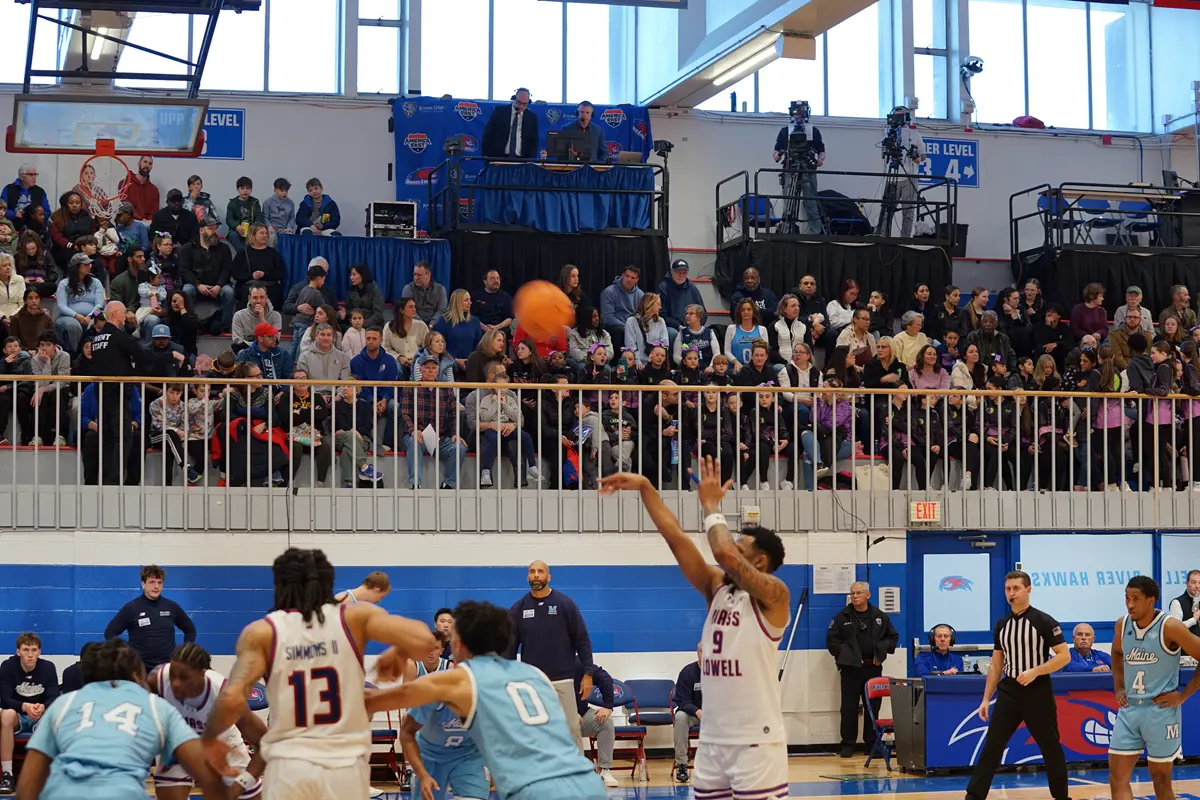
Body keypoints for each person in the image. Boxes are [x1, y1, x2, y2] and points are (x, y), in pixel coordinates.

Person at [597, 458, 790, 799]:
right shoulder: (716, 586)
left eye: (740, 546)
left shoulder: (775, 596)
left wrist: (711, 506)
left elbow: (724, 553)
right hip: (714, 739)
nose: (728, 550)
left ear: (759, 562)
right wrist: (646, 487)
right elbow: (675, 538)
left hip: (755, 741)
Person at [200, 548, 436, 798]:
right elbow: (425, 640)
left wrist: (210, 738)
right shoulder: (356, 618)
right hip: (344, 767)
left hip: (288, 767)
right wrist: (399, 652)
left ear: (279, 584)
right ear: (328, 583)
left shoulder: (262, 632)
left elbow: (231, 700)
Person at [365, 599, 607, 800]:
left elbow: (374, 700)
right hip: (587, 782)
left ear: (458, 644)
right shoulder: (536, 674)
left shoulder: (457, 679)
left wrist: (398, 651)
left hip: (535, 789)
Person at [15, 638, 226, 800]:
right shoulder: (155, 705)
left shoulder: (65, 703)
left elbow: (27, 785)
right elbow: (207, 776)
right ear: (136, 674)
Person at [965, 570, 1071, 800]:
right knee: (992, 746)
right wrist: (985, 699)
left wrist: (1036, 671)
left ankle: (1062, 797)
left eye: (1016, 588)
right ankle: (973, 796)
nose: (1011, 593)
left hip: (1037, 691)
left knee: (1050, 747)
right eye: (1007, 589)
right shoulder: (1002, 625)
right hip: (1009, 691)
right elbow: (996, 665)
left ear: (1028, 590)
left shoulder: (1044, 621)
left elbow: (1064, 656)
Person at [1108, 576, 1200, 800]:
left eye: (1136, 599)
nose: (1130, 604)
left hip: (1160, 711)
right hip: (1130, 709)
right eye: (1127, 598)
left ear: (1152, 600)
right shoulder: (1122, 625)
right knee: (1116, 777)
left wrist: (1183, 695)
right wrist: (1119, 687)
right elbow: (1117, 653)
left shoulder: (1170, 626)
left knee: (1160, 780)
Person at [149, 643, 266, 800]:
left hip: (224, 748)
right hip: (180, 746)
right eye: (173, 675)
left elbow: (265, 744)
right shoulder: (157, 679)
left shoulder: (226, 696)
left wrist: (238, 787)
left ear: (202, 674)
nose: (175, 683)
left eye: (184, 677)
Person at [506, 560, 596, 754]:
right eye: (532, 572)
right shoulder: (518, 608)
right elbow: (510, 647)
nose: (536, 575)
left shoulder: (565, 604)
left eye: (540, 571)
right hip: (532, 682)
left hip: (562, 678)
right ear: (528, 577)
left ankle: (578, 775)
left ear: (548, 577)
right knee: (534, 730)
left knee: (571, 727)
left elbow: (582, 639)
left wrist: (588, 673)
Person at [397, 663, 490, 800]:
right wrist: (422, 775)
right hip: (430, 754)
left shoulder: (489, 695)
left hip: (468, 755)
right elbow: (406, 733)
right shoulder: (432, 690)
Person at [827, 582, 899, 757]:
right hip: (851, 670)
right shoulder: (841, 618)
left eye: (858, 593)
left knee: (873, 708)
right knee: (849, 707)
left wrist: (880, 652)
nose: (854, 596)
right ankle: (848, 744)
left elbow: (893, 637)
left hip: (872, 668)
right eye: (852, 593)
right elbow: (832, 642)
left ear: (868, 595)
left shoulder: (879, 616)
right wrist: (850, 657)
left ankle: (872, 744)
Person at [103, 565, 197, 671]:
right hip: (139, 669)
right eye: (152, 582)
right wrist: (126, 654)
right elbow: (109, 633)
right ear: (143, 584)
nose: (156, 586)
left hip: (167, 669)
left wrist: (184, 653)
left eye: (160, 582)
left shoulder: (171, 606)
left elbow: (190, 630)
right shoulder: (132, 608)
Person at [0, 633, 58, 792]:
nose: (30, 655)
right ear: (18, 651)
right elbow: (4, 699)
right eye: (26, 650)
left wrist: (43, 707)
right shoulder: (8, 666)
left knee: (54, 717)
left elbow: (54, 696)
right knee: (6, 715)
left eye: (34, 650)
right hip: (18, 715)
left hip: (40, 715)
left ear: (40, 652)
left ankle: (44, 775)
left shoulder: (48, 667)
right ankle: (7, 775)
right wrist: (24, 706)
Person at [772, 102, 825, 234]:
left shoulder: (813, 130)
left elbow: (821, 150)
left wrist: (819, 160)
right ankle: (788, 230)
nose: (799, 117)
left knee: (811, 204)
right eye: (797, 114)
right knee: (788, 203)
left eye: (801, 114)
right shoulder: (785, 131)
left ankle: (815, 233)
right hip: (790, 169)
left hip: (808, 169)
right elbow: (776, 154)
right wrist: (779, 153)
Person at [180, 214, 236, 334]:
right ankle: (191, 326)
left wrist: (219, 285)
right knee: (186, 290)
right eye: (210, 228)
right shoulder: (188, 248)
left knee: (229, 292)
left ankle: (224, 327)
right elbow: (184, 270)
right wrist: (198, 285)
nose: (214, 231)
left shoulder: (224, 248)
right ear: (201, 230)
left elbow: (227, 269)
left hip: (217, 286)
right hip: (196, 286)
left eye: (215, 228)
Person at [671, 644, 702, 783]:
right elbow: (682, 701)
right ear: (698, 653)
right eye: (702, 651)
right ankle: (682, 765)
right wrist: (697, 711)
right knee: (680, 717)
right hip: (693, 714)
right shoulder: (688, 672)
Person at [482, 88, 539, 159]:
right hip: (498, 158)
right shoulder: (500, 112)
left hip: (522, 160)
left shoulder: (531, 117)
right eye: (519, 102)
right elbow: (488, 134)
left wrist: (530, 161)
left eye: (524, 104)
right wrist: (487, 158)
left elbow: (533, 141)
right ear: (514, 98)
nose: (521, 106)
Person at [599, 266, 644, 348]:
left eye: (633, 277)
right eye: (627, 276)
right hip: (615, 326)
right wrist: (627, 326)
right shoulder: (609, 292)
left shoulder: (640, 294)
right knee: (619, 331)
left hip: (634, 325)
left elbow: (643, 314)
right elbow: (608, 317)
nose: (629, 279)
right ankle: (618, 360)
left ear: (637, 280)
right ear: (622, 275)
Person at [402, 261, 449, 326]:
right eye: (414, 274)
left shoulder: (440, 289)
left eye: (419, 275)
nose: (416, 278)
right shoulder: (408, 288)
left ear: (428, 274)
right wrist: (422, 325)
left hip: (435, 325)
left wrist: (431, 324)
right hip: (414, 324)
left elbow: (441, 311)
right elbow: (409, 310)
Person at [118, 155, 160, 221]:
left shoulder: (154, 190)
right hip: (128, 222)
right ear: (139, 163)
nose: (147, 165)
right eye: (145, 162)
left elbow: (154, 212)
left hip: (146, 224)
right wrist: (141, 219)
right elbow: (125, 206)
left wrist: (148, 222)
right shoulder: (124, 183)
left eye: (150, 163)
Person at [1168, 569, 1200, 635]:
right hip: (1186, 644)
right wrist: (1193, 620)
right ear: (1187, 583)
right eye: (1193, 582)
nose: (1197, 586)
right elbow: (1175, 628)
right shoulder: (1177, 603)